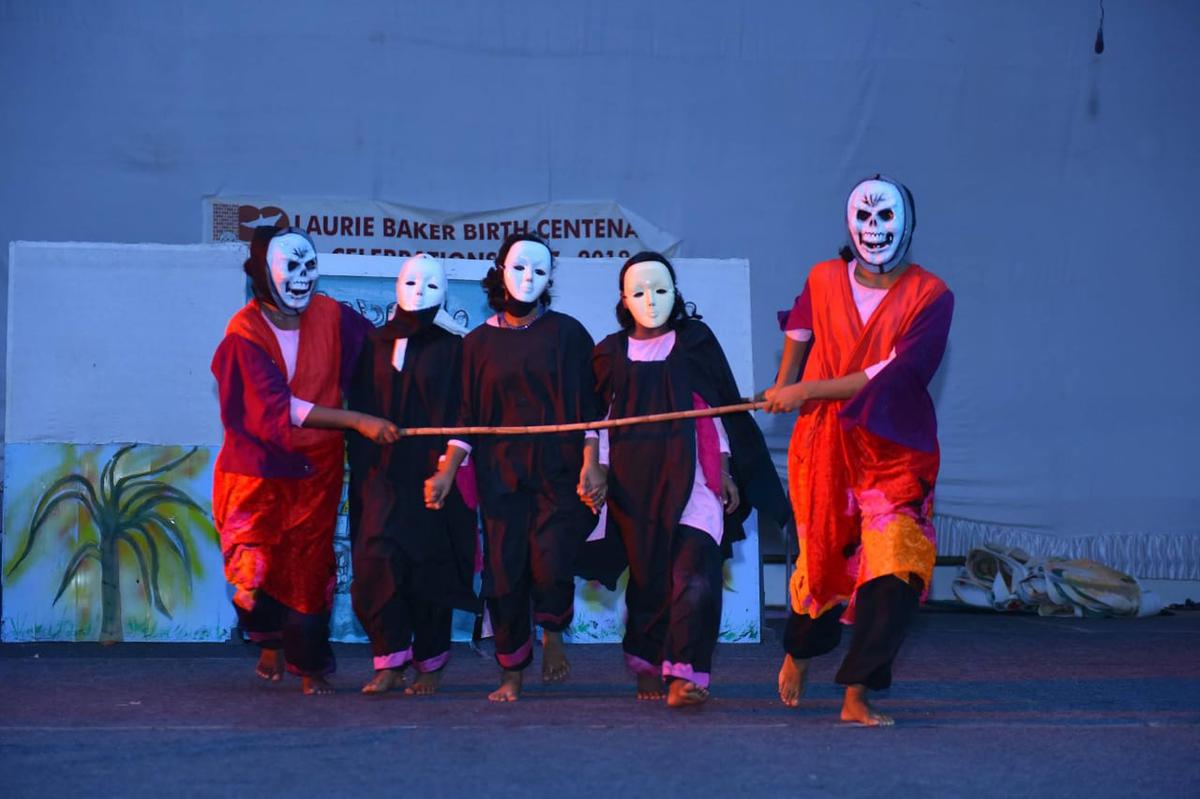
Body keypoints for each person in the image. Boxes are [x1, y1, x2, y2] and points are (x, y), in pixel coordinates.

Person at [764, 176, 954, 725]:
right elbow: (801, 329)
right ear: (850, 225)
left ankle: (857, 694)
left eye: (887, 218)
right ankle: (799, 652)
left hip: (895, 450)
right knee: (823, 566)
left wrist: (803, 391)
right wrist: (783, 385)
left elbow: (890, 374)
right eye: (865, 218)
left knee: (895, 570)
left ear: (909, 224)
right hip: (824, 448)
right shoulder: (823, 278)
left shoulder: (932, 297)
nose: (875, 230)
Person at [586, 252, 789, 706]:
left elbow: (715, 409)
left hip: (695, 478)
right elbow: (600, 420)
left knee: (696, 571)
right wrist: (593, 467)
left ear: (675, 292)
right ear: (623, 299)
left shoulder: (696, 342)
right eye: (639, 292)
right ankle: (646, 660)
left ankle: (685, 675)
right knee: (649, 579)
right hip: (633, 487)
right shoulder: (607, 355)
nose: (651, 300)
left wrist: (725, 470)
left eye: (660, 289)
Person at [211, 226, 400, 695]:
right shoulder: (243, 333)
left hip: (316, 470)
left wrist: (426, 340)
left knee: (309, 573)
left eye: (309, 266)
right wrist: (356, 420)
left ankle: (309, 669)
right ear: (264, 274)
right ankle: (269, 642)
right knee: (251, 571)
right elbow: (279, 408)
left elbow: (375, 354)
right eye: (290, 267)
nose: (302, 277)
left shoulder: (333, 316)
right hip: (255, 469)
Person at [424, 232, 601, 702]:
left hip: (559, 471)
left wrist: (592, 462)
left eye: (539, 271)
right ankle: (511, 673)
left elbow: (591, 409)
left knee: (550, 560)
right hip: (500, 476)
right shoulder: (477, 344)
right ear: (500, 271)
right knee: (504, 573)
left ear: (549, 280)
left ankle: (554, 634)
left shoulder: (569, 334)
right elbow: (465, 419)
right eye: (520, 267)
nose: (528, 278)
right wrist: (446, 470)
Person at [346, 254, 481, 696]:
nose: (419, 290)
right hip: (381, 476)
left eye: (429, 283)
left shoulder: (456, 347)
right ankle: (389, 659)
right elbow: (358, 406)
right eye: (411, 281)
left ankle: (430, 663)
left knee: (429, 568)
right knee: (376, 562)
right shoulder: (374, 344)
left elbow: (467, 413)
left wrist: (447, 468)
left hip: (431, 477)